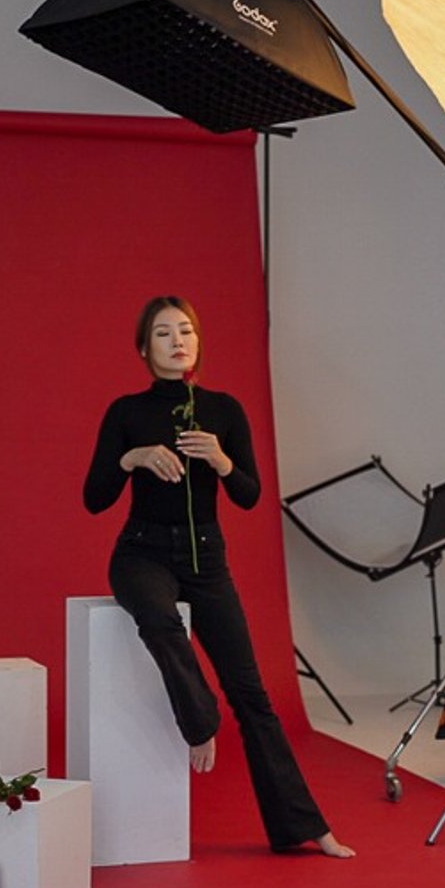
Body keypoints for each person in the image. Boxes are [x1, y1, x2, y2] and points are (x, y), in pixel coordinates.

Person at [83, 296, 352, 859]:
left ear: (198, 342)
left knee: (254, 696)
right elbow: (94, 498)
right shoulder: (126, 412)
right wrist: (131, 458)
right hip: (142, 554)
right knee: (157, 619)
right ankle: (199, 719)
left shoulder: (224, 411)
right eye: (163, 333)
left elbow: (250, 496)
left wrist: (224, 461)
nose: (178, 340)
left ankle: (303, 828)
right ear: (143, 348)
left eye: (186, 331)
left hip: (208, 560)